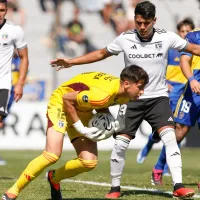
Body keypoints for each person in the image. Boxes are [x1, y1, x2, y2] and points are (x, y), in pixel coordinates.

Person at [49, 1, 200, 198]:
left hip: (158, 99)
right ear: (134, 20)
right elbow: (101, 53)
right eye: (138, 22)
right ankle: (115, 189)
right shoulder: (125, 38)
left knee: (170, 138)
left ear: (155, 20)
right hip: (130, 100)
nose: (142, 27)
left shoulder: (167, 37)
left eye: (146, 23)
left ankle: (178, 186)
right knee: (120, 144)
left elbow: (194, 48)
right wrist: (71, 62)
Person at [2, 65, 149, 200]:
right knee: (52, 155)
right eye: (140, 87)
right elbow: (67, 99)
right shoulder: (102, 95)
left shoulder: (124, 95)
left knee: (88, 162)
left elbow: (102, 104)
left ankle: (54, 177)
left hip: (81, 108)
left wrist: (107, 118)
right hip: (61, 103)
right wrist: (80, 127)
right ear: (126, 84)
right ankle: (12, 192)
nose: (142, 91)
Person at [136, 17, 195, 179]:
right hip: (175, 92)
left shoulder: (194, 45)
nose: (185, 34)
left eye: (187, 31)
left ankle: (166, 166)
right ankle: (154, 154)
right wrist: (164, 82)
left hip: (187, 90)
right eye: (182, 31)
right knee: (171, 130)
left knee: (174, 131)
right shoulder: (173, 48)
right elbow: (157, 66)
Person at [153, 27, 200, 188]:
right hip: (193, 93)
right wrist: (192, 79)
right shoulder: (194, 36)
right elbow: (184, 61)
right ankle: (159, 168)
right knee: (179, 132)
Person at [0, 0, 28, 166]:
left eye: (2, 10)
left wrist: (20, 84)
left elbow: (24, 57)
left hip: (2, 83)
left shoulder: (14, 30)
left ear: (6, 10)